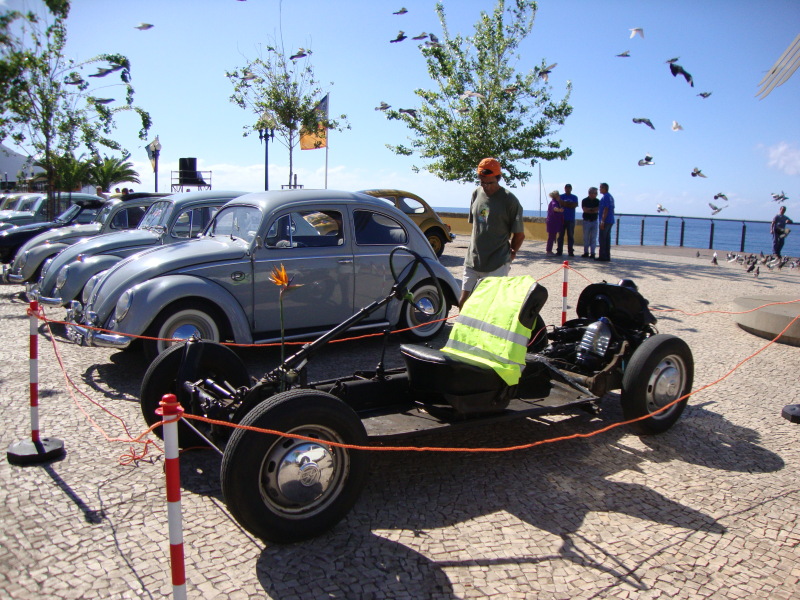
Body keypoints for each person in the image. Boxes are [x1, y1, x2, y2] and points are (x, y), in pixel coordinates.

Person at [459, 157, 525, 308]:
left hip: (497, 262)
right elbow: (478, 226)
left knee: (490, 306)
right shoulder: (476, 194)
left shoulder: (510, 200)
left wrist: (513, 252)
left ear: (499, 178)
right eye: (483, 182)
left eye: (490, 182)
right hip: (473, 259)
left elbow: (519, 234)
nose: (486, 186)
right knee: (464, 303)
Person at [556, 183, 579, 256]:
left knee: (570, 236)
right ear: (564, 188)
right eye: (566, 188)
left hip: (571, 219)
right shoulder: (561, 196)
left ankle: (570, 251)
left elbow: (574, 205)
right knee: (560, 236)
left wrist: (564, 203)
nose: (568, 189)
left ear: (571, 189)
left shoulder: (574, 197)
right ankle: (559, 251)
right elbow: (560, 204)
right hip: (562, 219)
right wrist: (568, 204)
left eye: (569, 188)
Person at [596, 182, 615, 262]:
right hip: (610, 220)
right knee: (607, 239)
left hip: (606, 221)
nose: (600, 189)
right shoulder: (610, 197)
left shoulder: (606, 197)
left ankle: (603, 256)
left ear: (605, 188)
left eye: (601, 187)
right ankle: (607, 256)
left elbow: (606, 209)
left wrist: (602, 221)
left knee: (603, 239)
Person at [581, 186, 600, 258]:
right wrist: (592, 210)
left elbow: (597, 209)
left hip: (594, 221)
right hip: (586, 221)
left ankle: (593, 253)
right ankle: (586, 252)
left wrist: (590, 210)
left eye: (596, 193)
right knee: (586, 238)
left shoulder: (597, 201)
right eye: (593, 193)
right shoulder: (584, 200)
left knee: (593, 238)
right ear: (589, 193)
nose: (595, 194)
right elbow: (585, 210)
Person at [545, 190, 564, 255]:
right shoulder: (554, 202)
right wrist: (559, 210)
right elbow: (554, 208)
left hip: (554, 222)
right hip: (552, 222)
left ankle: (549, 250)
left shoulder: (556, 202)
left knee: (552, 236)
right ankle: (548, 250)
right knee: (551, 236)